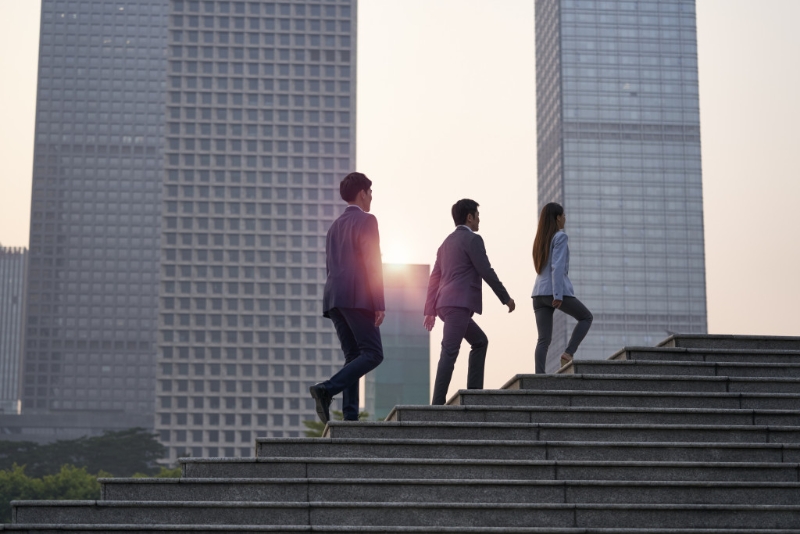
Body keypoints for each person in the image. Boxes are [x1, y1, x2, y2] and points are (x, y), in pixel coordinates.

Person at [309, 172, 385, 424]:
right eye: (370, 192)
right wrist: (379, 303)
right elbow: (372, 262)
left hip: (334, 299)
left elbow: (329, 265)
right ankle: (327, 389)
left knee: (353, 356)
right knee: (373, 353)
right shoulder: (367, 220)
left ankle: (350, 417)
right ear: (362, 193)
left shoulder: (334, 227)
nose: (371, 197)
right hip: (357, 297)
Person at [424, 199, 516, 405]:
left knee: (480, 341)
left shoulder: (445, 244)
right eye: (478, 216)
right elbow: (486, 271)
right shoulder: (473, 240)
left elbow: (434, 279)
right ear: (469, 217)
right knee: (449, 351)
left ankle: (473, 395)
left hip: (445, 304)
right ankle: (437, 405)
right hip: (457, 305)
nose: (479, 220)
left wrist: (430, 310)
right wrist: (505, 298)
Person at [531, 202, 593, 372]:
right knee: (586, 317)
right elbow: (557, 267)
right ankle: (569, 353)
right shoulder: (560, 237)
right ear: (557, 218)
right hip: (554, 291)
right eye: (563, 215)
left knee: (543, 339)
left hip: (538, 294)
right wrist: (557, 294)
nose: (565, 218)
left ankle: (539, 377)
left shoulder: (540, 240)